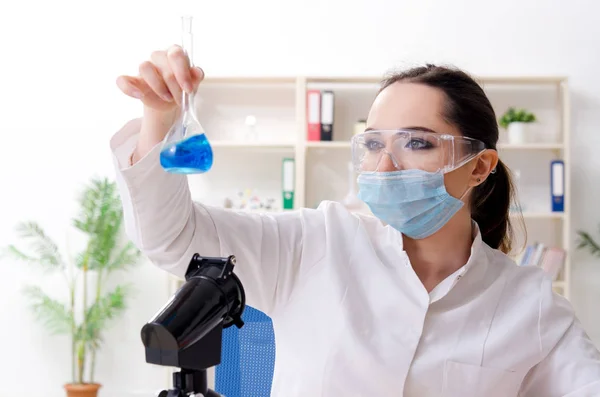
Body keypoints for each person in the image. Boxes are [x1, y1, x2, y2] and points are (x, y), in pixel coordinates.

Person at [111, 45, 600, 397]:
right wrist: (160, 117)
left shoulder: (531, 306)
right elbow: (173, 240)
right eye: (372, 144)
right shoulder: (312, 242)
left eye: (417, 143)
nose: (384, 166)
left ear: (479, 166)